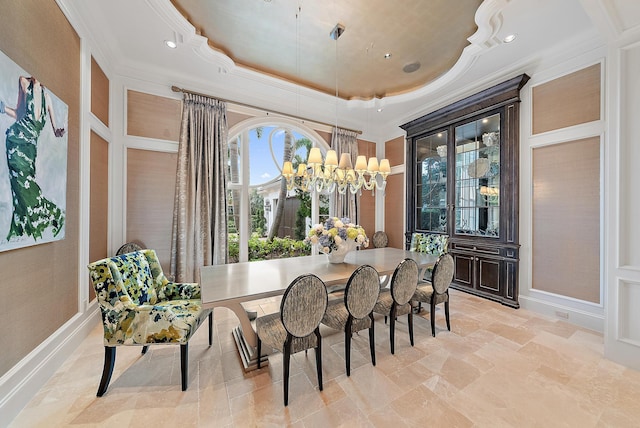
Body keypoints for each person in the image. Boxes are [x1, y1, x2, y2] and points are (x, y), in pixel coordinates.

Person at [1, 76, 66, 241]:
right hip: (16, 142)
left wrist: (59, 132)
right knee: (20, 186)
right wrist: (2, 108)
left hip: (30, 148)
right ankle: (26, 228)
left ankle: (31, 227)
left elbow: (55, 129)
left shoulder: (47, 97)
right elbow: (18, 113)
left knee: (27, 186)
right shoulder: (24, 82)